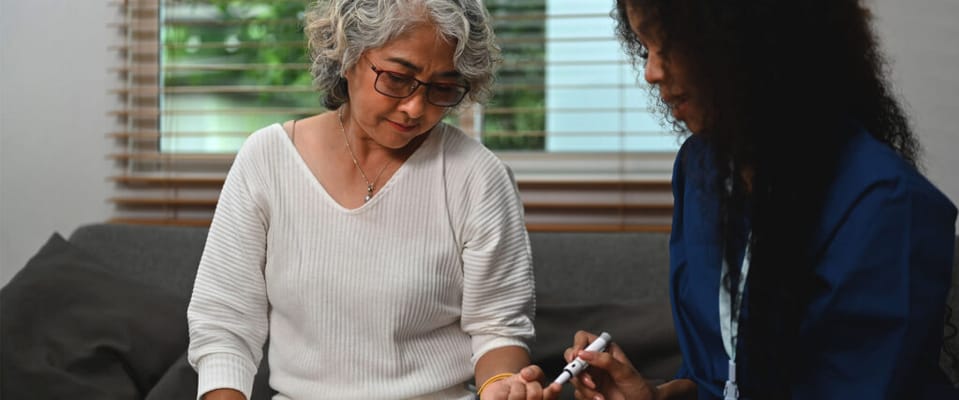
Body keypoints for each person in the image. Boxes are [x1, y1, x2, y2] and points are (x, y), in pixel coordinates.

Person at [522, 0, 959, 399]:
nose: (651, 72)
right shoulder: (701, 169)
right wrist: (655, 396)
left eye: (670, 46)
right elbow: (719, 379)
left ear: (752, 46)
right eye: (645, 48)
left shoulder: (886, 205)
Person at [187, 1, 542, 399]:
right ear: (347, 55)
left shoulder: (478, 176)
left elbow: (498, 328)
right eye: (396, 78)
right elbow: (224, 326)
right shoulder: (266, 159)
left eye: (443, 88)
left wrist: (501, 386)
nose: (414, 108)